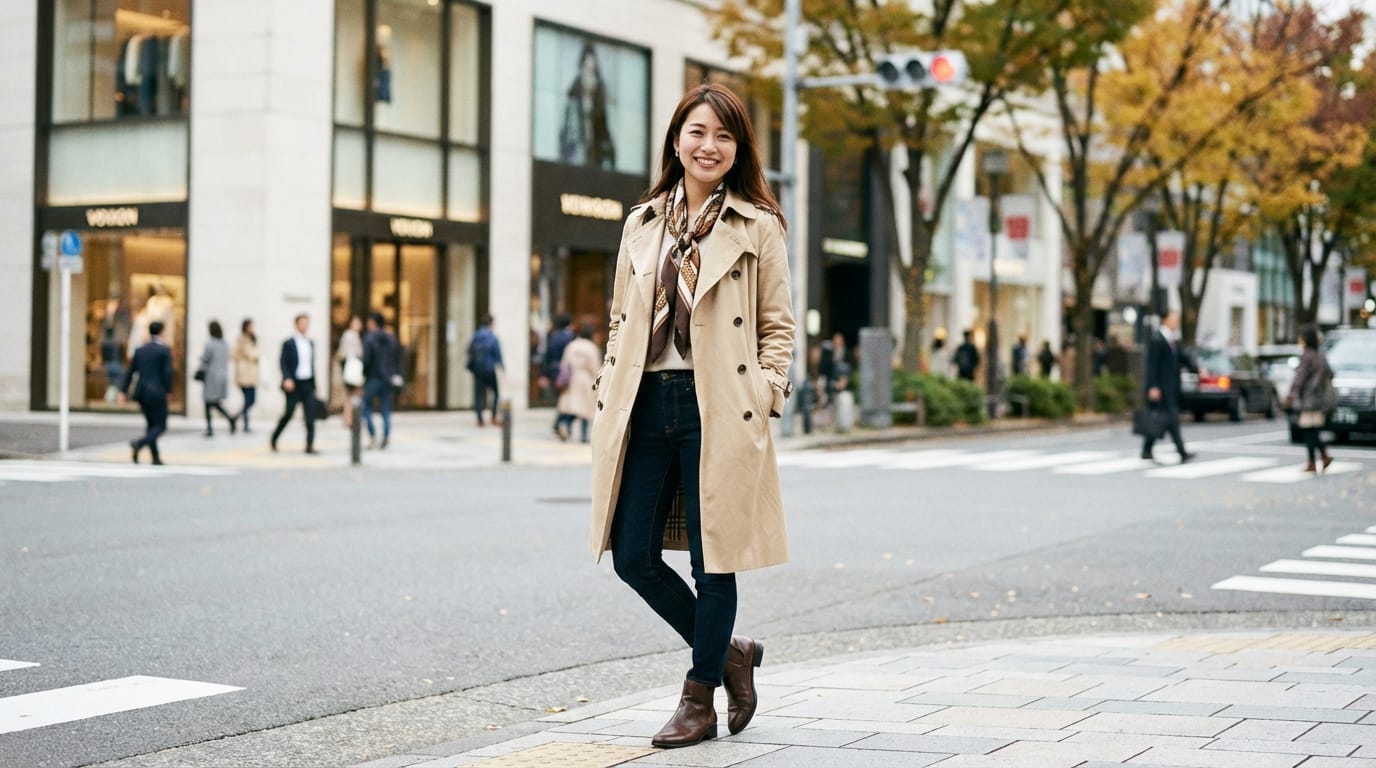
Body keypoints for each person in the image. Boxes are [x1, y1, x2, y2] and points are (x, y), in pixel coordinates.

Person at [589, 83, 793, 749]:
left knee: (716, 561)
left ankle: (698, 698)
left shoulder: (758, 226)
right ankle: (731, 653)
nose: (710, 146)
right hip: (646, 402)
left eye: (725, 136)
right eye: (699, 132)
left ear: (739, 151)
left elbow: (778, 328)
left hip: (720, 406)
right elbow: (622, 318)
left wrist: (764, 393)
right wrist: (607, 380)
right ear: (677, 139)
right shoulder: (642, 223)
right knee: (634, 556)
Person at [1141, 310, 1197, 464]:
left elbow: (1181, 359)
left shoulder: (1172, 340)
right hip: (1160, 388)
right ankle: (1181, 451)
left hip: (1171, 387)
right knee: (1170, 419)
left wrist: (1197, 369)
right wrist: (1153, 386)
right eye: (1174, 319)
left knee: (1162, 420)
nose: (1176, 322)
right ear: (1165, 320)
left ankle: (1147, 449)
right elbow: (1152, 365)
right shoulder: (1157, 339)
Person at [119, 320, 173, 465]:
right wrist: (168, 390)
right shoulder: (164, 350)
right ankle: (140, 443)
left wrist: (123, 391)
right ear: (161, 332)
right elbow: (167, 373)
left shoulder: (140, 350)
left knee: (151, 424)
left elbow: (130, 372)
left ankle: (155, 457)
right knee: (161, 425)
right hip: (157, 391)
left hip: (142, 392)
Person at [559, 42, 616, 169]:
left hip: (595, 167)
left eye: (592, 71)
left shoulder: (600, 104)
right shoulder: (573, 101)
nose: (588, 76)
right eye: (586, 69)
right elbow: (567, 139)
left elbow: (606, 142)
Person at [1286, 324, 1334, 473]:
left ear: (1306, 339)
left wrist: (1291, 394)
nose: (1299, 339)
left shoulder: (1307, 355)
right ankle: (1322, 457)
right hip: (1319, 398)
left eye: (1301, 337)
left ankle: (1314, 461)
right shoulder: (1321, 355)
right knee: (1313, 430)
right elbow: (1331, 373)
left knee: (1308, 431)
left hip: (1308, 398)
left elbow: (1299, 378)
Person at [270, 313, 319, 454]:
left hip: (308, 383)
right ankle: (274, 438)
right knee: (288, 413)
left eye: (307, 323)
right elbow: (283, 362)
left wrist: (315, 384)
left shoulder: (310, 343)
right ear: (297, 325)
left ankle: (310, 445)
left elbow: (311, 364)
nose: (305, 326)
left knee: (310, 415)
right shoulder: (289, 343)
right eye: (302, 323)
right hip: (294, 383)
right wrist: (287, 378)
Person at [554, 323, 600, 442]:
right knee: (586, 409)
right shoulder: (591, 347)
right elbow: (595, 366)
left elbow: (564, 362)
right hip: (586, 379)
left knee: (573, 407)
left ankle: (567, 428)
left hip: (573, 377)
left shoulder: (572, 345)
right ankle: (584, 436)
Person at [362, 312, 401, 449]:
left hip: (374, 377)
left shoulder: (369, 338)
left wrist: (363, 374)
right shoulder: (391, 338)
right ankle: (386, 436)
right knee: (385, 408)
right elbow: (397, 358)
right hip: (388, 379)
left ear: (373, 322)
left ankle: (373, 435)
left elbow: (366, 360)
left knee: (365, 406)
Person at [197, 320, 236, 437]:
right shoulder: (225, 344)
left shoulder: (210, 344)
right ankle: (227, 420)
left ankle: (213, 427)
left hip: (211, 377)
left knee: (209, 402)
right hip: (222, 377)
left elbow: (205, 359)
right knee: (213, 403)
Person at [467, 314, 503, 426]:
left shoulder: (476, 336)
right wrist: (502, 367)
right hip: (489, 369)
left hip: (478, 369)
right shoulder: (492, 337)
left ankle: (479, 419)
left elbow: (469, 350)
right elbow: (497, 354)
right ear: (490, 324)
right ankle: (493, 416)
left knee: (479, 395)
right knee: (495, 393)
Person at [544, 313, 575, 424]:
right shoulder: (569, 337)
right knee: (567, 398)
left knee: (562, 398)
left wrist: (545, 373)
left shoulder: (553, 336)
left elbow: (547, 355)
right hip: (565, 371)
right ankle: (560, 423)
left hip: (553, 370)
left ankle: (559, 423)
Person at [335, 315, 365, 429]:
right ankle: (348, 419)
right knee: (351, 394)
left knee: (352, 395)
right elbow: (347, 353)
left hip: (352, 368)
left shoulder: (353, 335)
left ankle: (349, 418)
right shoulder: (349, 335)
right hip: (352, 368)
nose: (359, 325)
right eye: (357, 323)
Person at [233, 319, 260, 432]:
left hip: (252, 374)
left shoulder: (254, 339)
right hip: (244, 373)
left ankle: (236, 418)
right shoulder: (241, 339)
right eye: (250, 326)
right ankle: (244, 424)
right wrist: (246, 356)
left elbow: (257, 353)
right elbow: (235, 354)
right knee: (248, 399)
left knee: (251, 400)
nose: (252, 328)